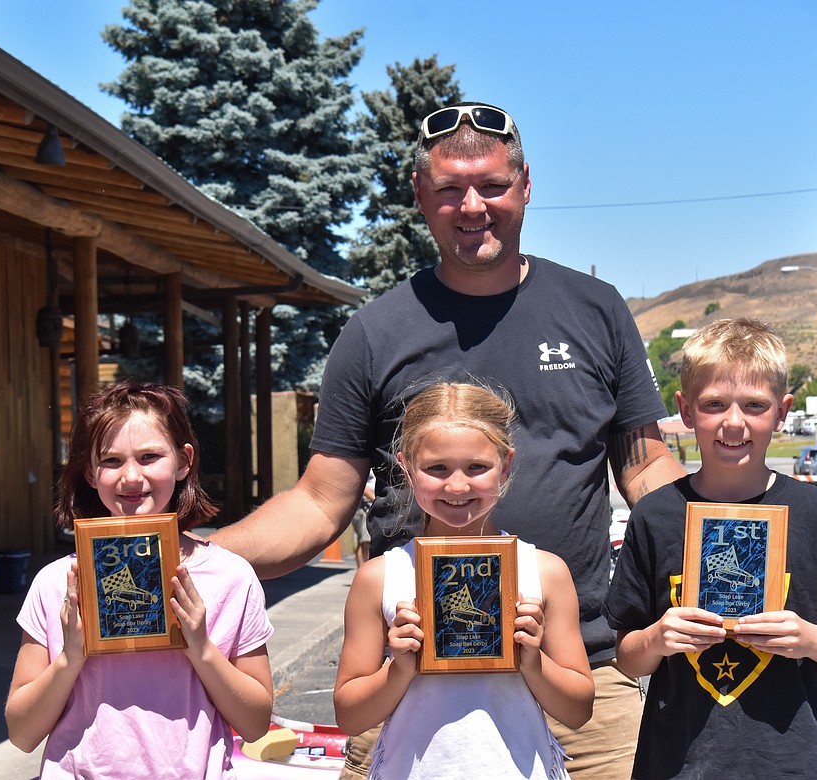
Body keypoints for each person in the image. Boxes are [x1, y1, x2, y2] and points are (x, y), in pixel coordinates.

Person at [210, 101, 685, 777]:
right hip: (410, 677)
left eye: (492, 186)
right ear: (420, 195)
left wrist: (728, 530)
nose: (472, 207)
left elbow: (644, 468)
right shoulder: (375, 332)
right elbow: (320, 503)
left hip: (572, 664)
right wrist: (197, 556)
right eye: (450, 189)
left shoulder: (596, 309)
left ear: (525, 185)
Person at [602, 319, 817, 779]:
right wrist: (658, 637)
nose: (734, 422)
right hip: (680, 762)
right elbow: (628, 655)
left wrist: (809, 639)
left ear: (783, 411)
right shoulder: (655, 515)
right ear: (687, 411)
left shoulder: (816, 513)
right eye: (714, 404)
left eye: (755, 405)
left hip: (795, 762)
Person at [5, 380, 274, 778]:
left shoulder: (230, 577)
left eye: (150, 456)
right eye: (111, 461)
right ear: (90, 473)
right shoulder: (58, 582)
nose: (131, 477)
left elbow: (254, 725)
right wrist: (70, 656)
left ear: (183, 462)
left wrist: (199, 646)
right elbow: (22, 734)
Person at [333, 381, 594, 778]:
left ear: (505, 465)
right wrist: (398, 667)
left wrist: (533, 661)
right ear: (406, 468)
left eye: (477, 467)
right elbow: (350, 716)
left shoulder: (544, 571)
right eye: (437, 468)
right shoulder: (380, 576)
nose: (457, 485)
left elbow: (578, 710)